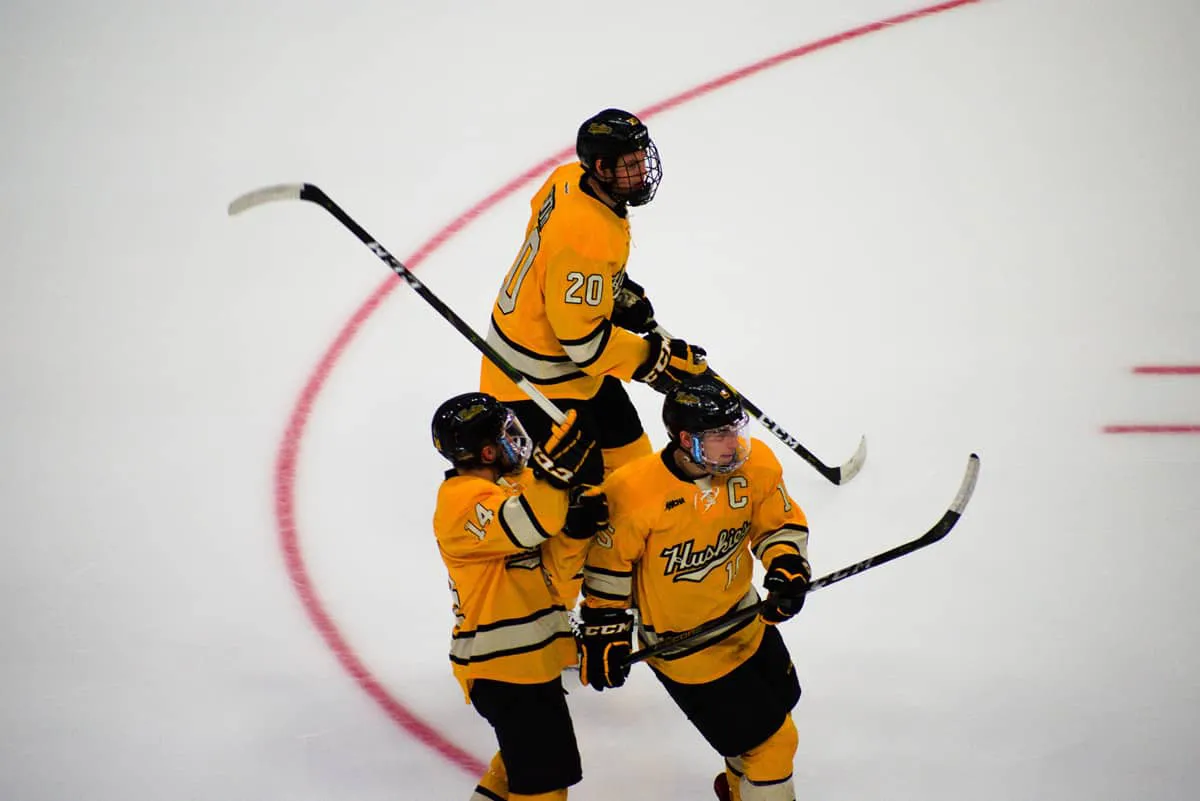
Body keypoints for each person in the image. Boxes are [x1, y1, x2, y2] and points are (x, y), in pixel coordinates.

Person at [577, 375, 812, 801]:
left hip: (747, 621)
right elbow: (606, 571)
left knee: (777, 712)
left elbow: (777, 523)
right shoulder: (633, 491)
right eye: (720, 435)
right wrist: (604, 627)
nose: (734, 444)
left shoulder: (755, 464)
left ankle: (741, 787)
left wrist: (787, 567)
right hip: (685, 648)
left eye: (735, 430)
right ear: (686, 440)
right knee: (774, 744)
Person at [480, 107, 709, 493]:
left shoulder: (567, 178)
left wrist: (609, 288)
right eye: (631, 164)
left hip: (555, 347)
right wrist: (654, 360)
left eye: (642, 159)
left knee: (635, 467)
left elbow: (553, 256)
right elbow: (583, 344)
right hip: (538, 378)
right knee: (583, 500)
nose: (643, 171)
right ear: (602, 168)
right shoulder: (586, 238)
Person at [431, 391, 609, 800]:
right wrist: (554, 476)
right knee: (546, 786)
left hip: (530, 662)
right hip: (502, 669)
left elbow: (551, 571)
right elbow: (530, 523)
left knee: (520, 769)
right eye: (508, 434)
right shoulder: (460, 502)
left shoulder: (516, 486)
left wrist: (576, 532)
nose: (520, 439)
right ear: (489, 451)